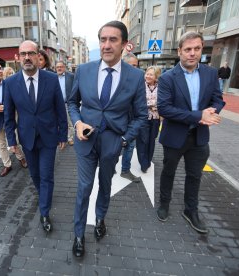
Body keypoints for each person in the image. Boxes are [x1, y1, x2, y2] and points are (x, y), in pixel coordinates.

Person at [68, 21, 147, 257]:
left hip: (113, 141)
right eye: (103, 39)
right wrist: (78, 122)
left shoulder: (135, 76)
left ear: (124, 45)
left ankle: (100, 218)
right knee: (84, 187)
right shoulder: (83, 70)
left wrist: (124, 139)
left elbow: (142, 115)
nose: (107, 45)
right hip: (86, 140)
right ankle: (79, 233)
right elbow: (72, 102)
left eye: (113, 40)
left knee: (105, 185)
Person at [156, 31, 225, 234]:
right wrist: (199, 116)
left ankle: (191, 210)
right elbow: (165, 109)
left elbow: (218, 99)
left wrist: (213, 111)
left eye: (197, 48)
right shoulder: (168, 77)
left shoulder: (210, 74)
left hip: (199, 137)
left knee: (194, 176)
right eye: (188, 49)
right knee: (168, 172)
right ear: (179, 51)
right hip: (174, 136)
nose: (192, 53)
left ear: (202, 49)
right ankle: (164, 204)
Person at [4, 40, 68, 233]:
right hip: (26, 137)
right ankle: (44, 195)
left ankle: (44, 211)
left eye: (30, 53)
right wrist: (11, 140)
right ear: (18, 58)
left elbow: (59, 109)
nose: (27, 57)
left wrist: (63, 134)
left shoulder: (51, 79)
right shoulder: (10, 82)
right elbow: (8, 115)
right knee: (35, 174)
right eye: (23, 54)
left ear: (38, 56)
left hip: (49, 136)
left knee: (47, 175)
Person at [136, 66, 161, 173]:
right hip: (143, 118)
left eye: (151, 74)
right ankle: (143, 163)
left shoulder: (161, 87)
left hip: (155, 119)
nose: (147, 76)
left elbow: (163, 102)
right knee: (142, 140)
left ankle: (148, 160)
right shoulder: (140, 86)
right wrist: (153, 104)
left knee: (151, 140)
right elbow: (139, 102)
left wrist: (149, 104)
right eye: (147, 73)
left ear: (156, 77)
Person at [120, 52, 140, 181]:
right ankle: (109, 169)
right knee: (113, 147)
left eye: (136, 65)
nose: (135, 68)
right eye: (131, 65)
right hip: (116, 121)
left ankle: (125, 170)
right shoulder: (115, 79)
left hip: (132, 120)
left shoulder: (138, 80)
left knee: (130, 146)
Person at [55, 60, 75, 145]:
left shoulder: (71, 76)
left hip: (67, 103)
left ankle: (70, 138)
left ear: (64, 67)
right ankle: (59, 138)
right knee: (57, 122)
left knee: (69, 122)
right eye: (58, 67)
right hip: (55, 104)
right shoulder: (52, 77)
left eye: (61, 67)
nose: (59, 68)